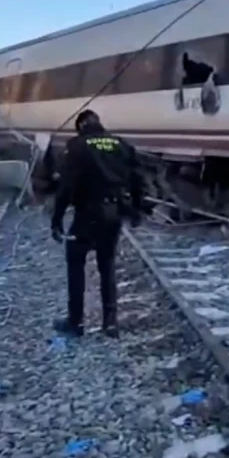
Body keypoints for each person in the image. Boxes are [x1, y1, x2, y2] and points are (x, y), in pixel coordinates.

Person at [50, 109, 144, 339]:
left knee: (75, 262)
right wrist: (136, 210)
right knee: (107, 263)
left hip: (87, 213)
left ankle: (76, 322)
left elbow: (66, 186)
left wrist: (57, 219)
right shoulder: (120, 144)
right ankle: (110, 323)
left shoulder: (77, 146)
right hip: (114, 212)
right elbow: (138, 179)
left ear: (81, 125)